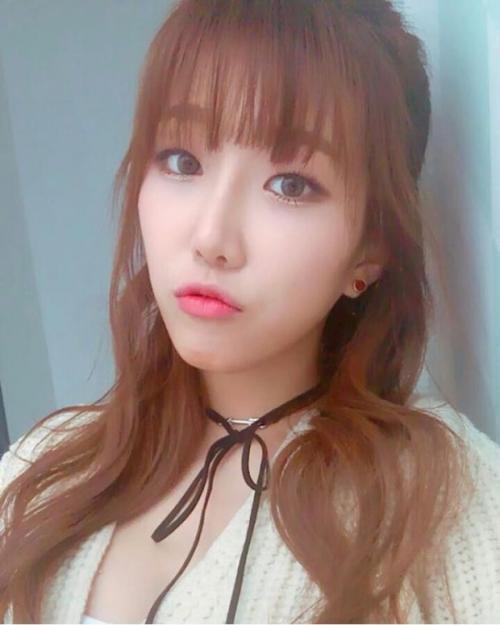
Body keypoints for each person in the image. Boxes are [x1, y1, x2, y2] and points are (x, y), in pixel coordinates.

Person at [1, 0, 499, 623]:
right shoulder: (38, 470)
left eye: (291, 184)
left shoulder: (446, 501)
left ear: (370, 251)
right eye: (182, 161)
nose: (211, 236)